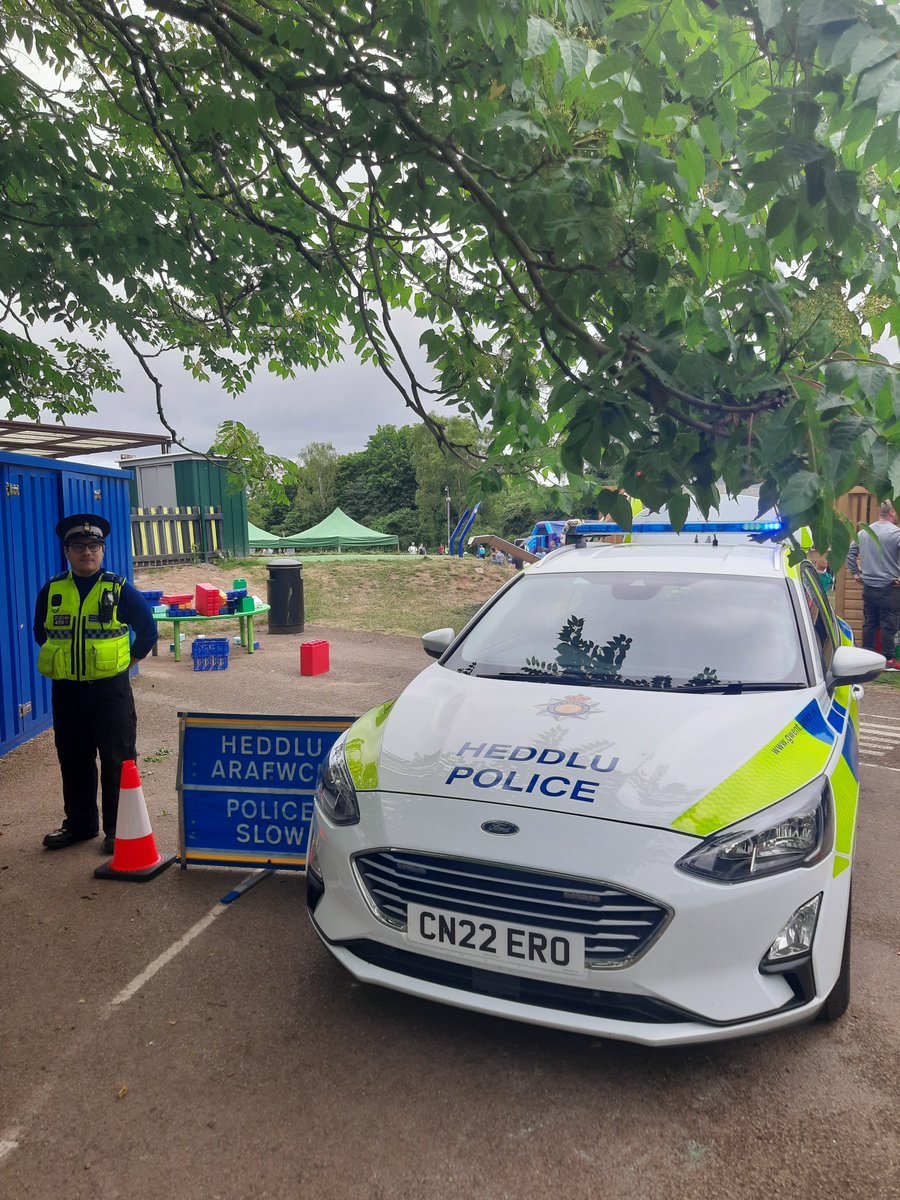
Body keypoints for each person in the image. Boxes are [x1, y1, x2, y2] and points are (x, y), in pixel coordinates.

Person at [33, 514, 158, 852]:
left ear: (102, 551)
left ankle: (117, 831)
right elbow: (39, 633)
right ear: (67, 551)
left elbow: (148, 632)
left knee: (117, 759)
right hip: (68, 692)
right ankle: (79, 824)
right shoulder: (53, 590)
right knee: (72, 758)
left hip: (110, 692)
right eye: (78, 546)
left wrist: (129, 662)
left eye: (93, 546)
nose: (86, 552)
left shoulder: (118, 589)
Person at [847, 500, 900, 668]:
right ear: (892, 512)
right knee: (888, 622)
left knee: (870, 621)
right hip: (889, 586)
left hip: (868, 585)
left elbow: (850, 553)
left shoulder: (863, 533)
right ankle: (888, 658)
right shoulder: (896, 534)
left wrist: (856, 573)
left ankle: (868, 656)